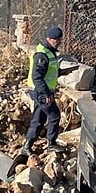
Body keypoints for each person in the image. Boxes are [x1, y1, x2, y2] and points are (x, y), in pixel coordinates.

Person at [21, 27, 66, 156]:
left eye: (59, 40)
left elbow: (48, 71)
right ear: (48, 39)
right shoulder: (42, 54)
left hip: (41, 90)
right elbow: (37, 77)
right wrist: (46, 94)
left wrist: (62, 72)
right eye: (55, 40)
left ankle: (27, 146)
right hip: (41, 92)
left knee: (38, 119)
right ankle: (51, 144)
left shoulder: (49, 51)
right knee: (54, 115)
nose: (58, 42)